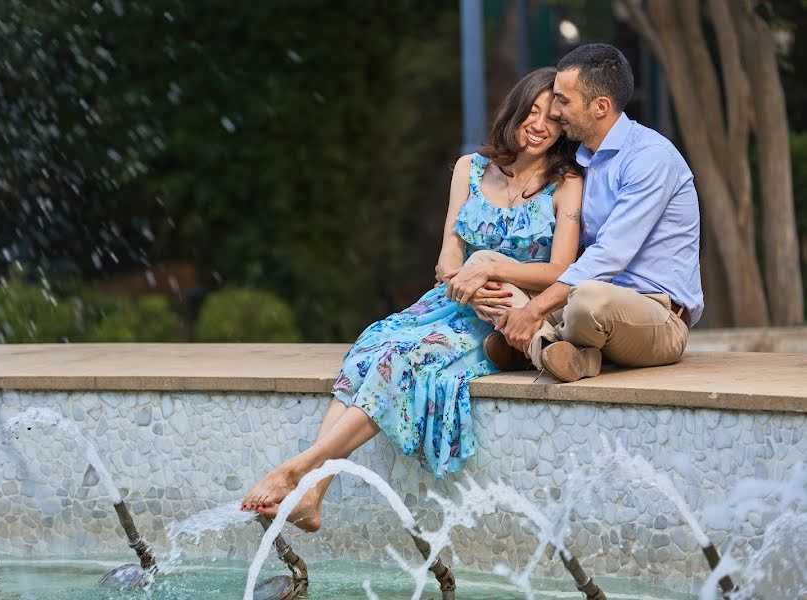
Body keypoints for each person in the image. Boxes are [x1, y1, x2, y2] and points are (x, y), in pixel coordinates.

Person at [241, 67, 583, 531]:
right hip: (453, 302)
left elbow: (562, 271)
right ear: (515, 110)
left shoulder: (567, 183)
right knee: (373, 344)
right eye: (533, 111)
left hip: (508, 317)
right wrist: (470, 281)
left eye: (555, 119)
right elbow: (447, 258)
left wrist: (491, 268)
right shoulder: (470, 169)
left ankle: (303, 469)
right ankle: (313, 496)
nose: (541, 125)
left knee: (408, 359)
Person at [491, 43, 704, 383]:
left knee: (587, 299)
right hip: (587, 309)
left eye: (563, 100)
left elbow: (608, 257)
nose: (556, 112)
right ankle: (555, 351)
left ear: (600, 106)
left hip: (657, 317)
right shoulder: (580, 160)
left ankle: (535, 345)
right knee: (494, 273)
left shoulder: (650, 157)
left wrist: (532, 310)